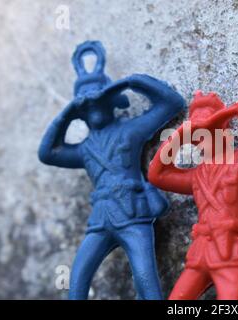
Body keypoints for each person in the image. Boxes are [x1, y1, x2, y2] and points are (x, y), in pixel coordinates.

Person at [38, 41, 185, 299]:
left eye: (98, 102)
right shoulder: (85, 149)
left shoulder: (130, 131)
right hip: (101, 218)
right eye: (86, 107)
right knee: (78, 280)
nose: (93, 110)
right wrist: (66, 115)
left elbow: (172, 104)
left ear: (111, 102)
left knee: (145, 279)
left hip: (132, 214)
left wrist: (132, 82)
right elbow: (48, 153)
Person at [149, 91, 238, 299]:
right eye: (198, 135)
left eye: (211, 131)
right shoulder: (197, 176)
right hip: (201, 250)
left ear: (225, 133)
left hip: (230, 250)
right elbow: (158, 175)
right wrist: (179, 136)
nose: (203, 140)